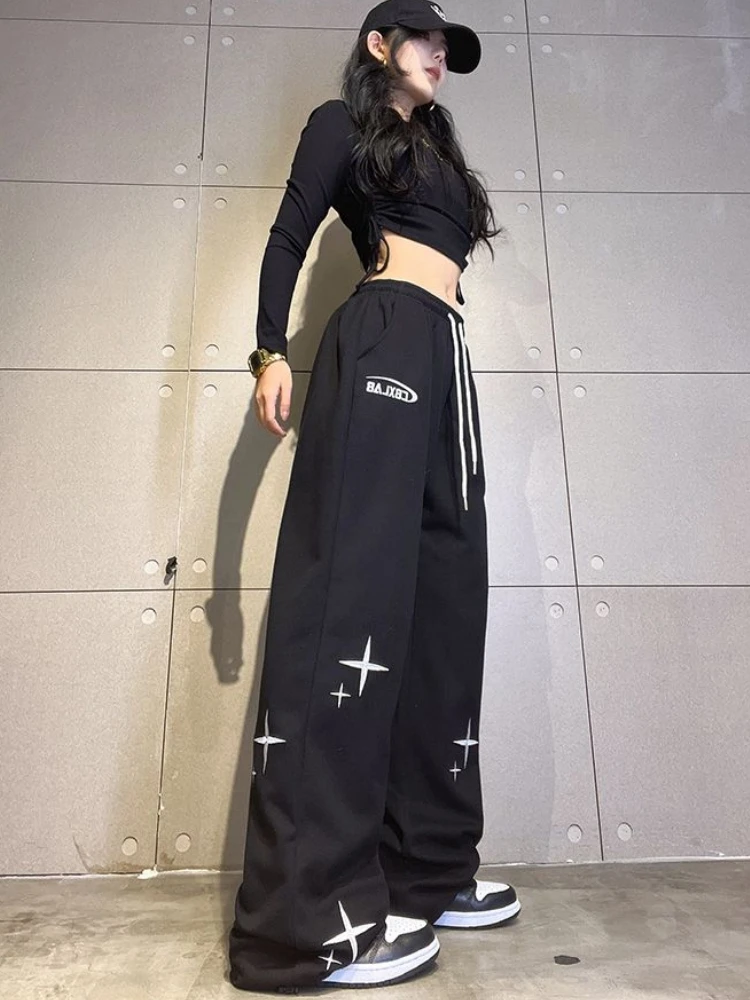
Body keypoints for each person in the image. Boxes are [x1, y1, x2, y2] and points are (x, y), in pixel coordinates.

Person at [228, 1, 521, 993]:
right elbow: (288, 237)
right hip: (385, 338)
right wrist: (268, 350)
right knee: (347, 606)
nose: (440, 55)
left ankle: (424, 869)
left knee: (445, 610)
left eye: (448, 46)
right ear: (379, 44)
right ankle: (305, 922)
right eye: (427, 38)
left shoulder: (435, 148)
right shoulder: (340, 125)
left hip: (445, 357)